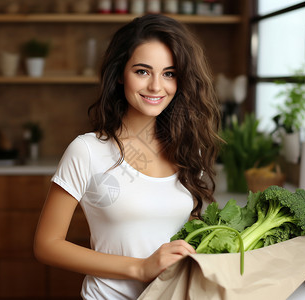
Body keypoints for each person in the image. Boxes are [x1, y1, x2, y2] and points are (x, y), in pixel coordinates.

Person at [34, 14, 221, 300]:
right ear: (121, 73)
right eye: (143, 71)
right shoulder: (87, 150)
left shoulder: (187, 149)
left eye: (169, 73)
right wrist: (139, 268)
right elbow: (47, 244)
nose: (156, 87)